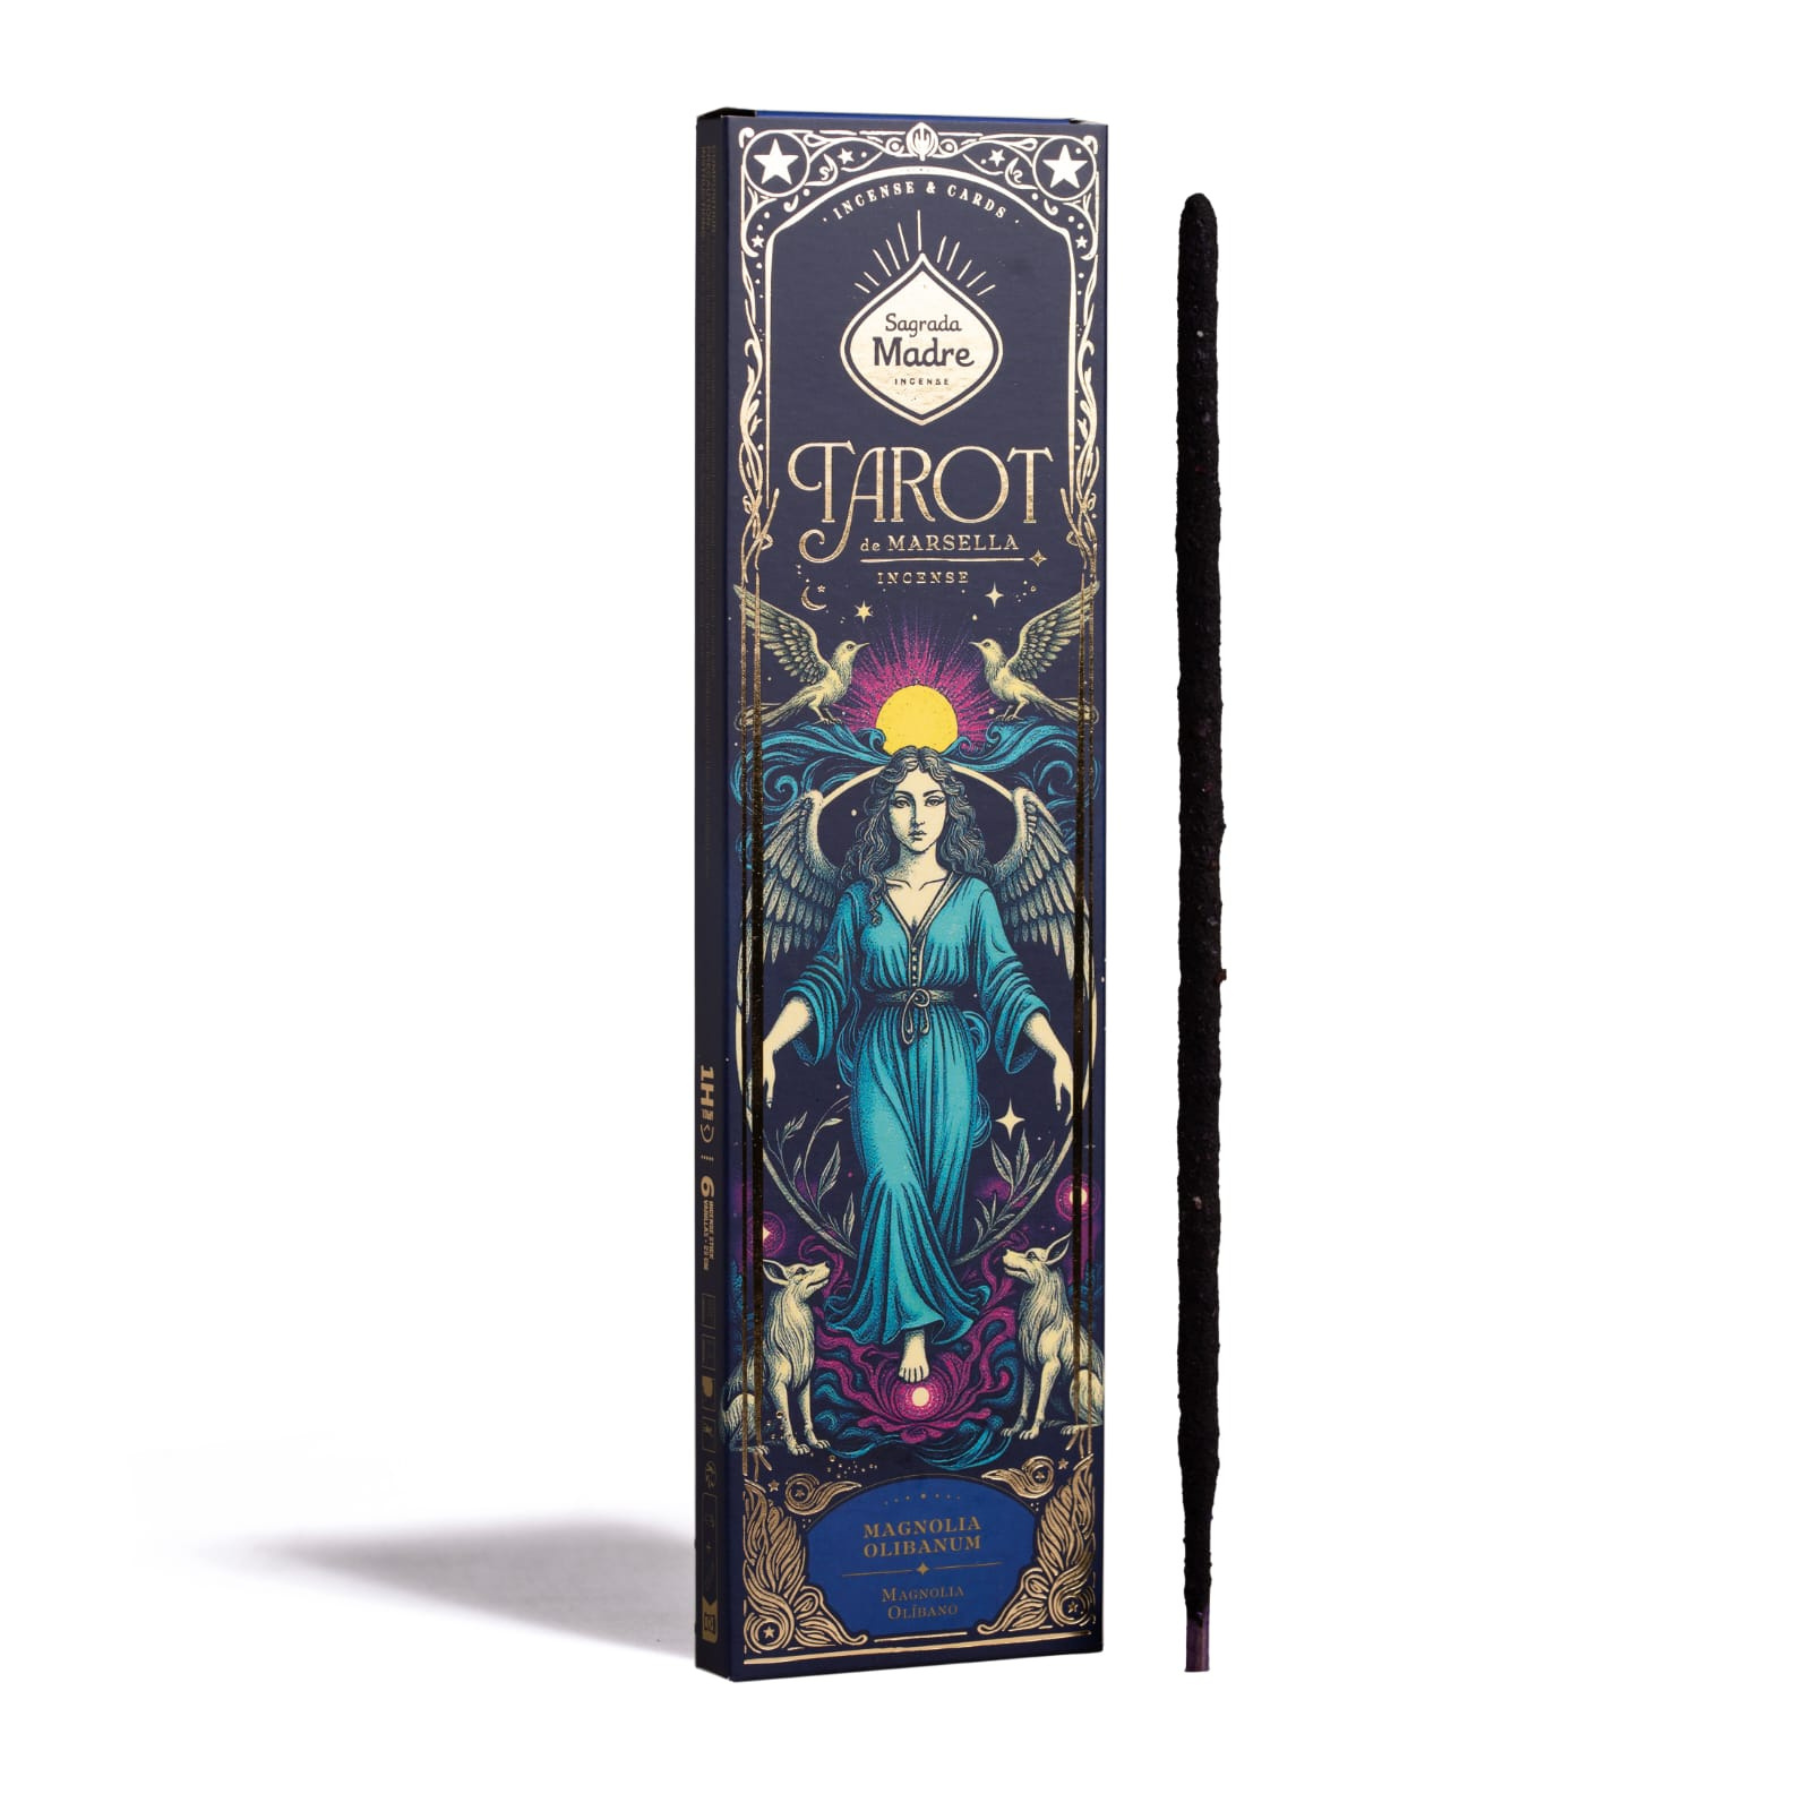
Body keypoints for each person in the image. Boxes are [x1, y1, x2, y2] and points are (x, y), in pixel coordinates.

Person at [760, 745, 1075, 1384]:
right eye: (903, 802)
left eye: (932, 800)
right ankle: (912, 1334)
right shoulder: (859, 899)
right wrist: (768, 1043)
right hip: (880, 1056)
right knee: (893, 1181)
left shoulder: (974, 896)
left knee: (934, 1197)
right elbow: (825, 979)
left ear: (950, 809)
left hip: (950, 1061)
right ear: (885, 813)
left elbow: (1006, 981)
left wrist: (1057, 1050)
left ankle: (921, 1320)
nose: (918, 816)